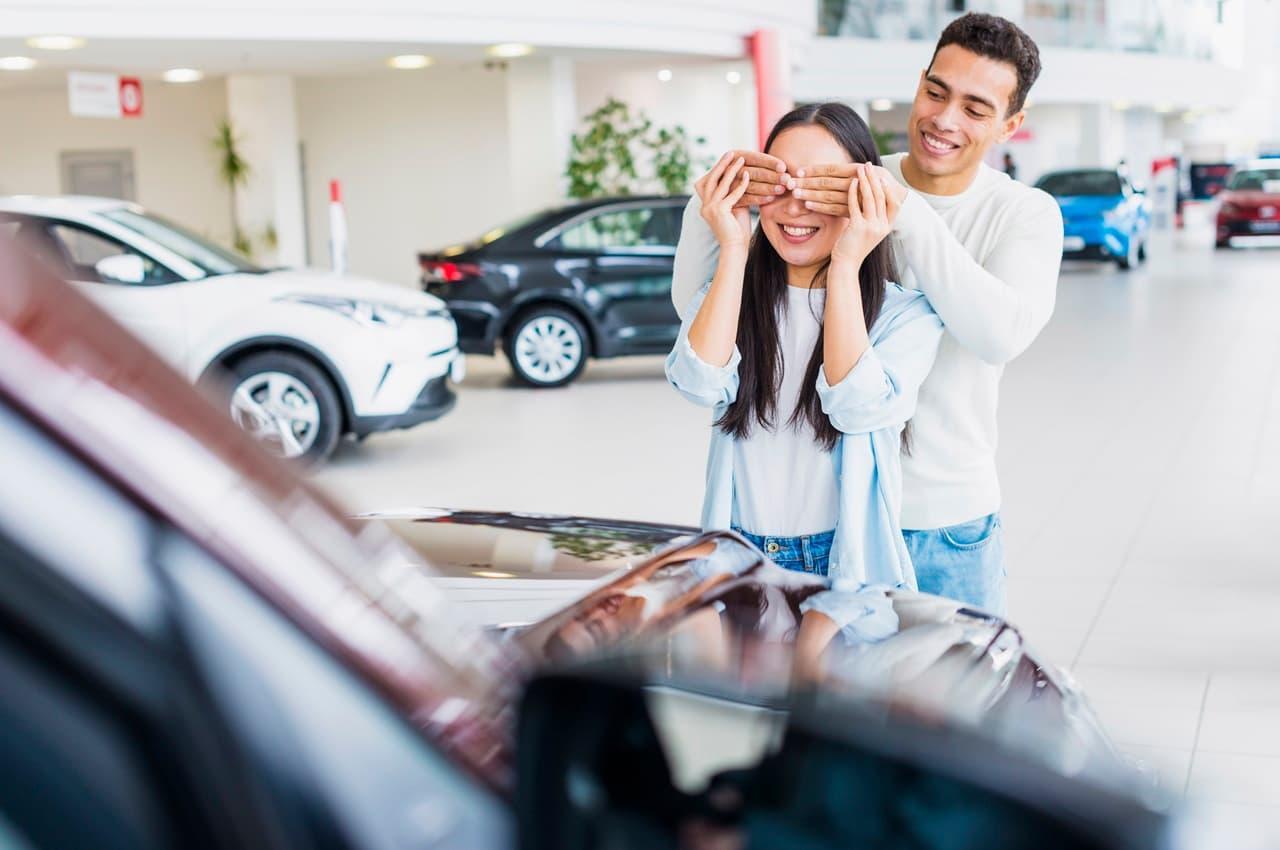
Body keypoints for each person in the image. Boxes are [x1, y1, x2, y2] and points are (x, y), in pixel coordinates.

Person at [672, 13, 1063, 616]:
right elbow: (704, 321)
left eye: (976, 108)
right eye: (936, 91)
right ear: (919, 82)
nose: (945, 119)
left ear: (1011, 124)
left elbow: (999, 335)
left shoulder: (1022, 214)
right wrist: (711, 207)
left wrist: (902, 212)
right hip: (828, 518)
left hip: (940, 519)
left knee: (951, 702)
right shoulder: (836, 175)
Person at [665, 102, 944, 587]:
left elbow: (856, 406)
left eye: (823, 187)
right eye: (782, 184)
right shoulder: (728, 294)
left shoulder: (907, 314)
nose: (797, 206)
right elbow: (698, 383)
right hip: (735, 554)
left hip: (839, 560)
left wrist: (846, 263)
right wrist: (733, 245)